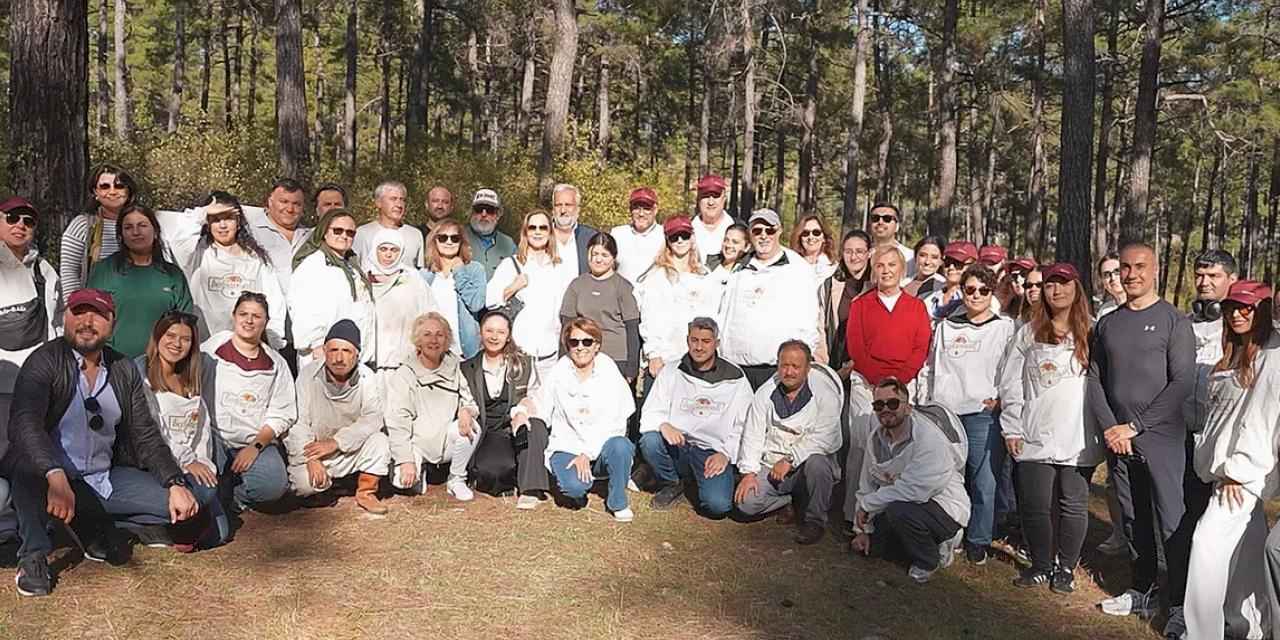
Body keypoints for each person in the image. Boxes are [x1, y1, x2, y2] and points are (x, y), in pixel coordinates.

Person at [5, 289, 203, 597]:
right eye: (78, 312)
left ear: (112, 323)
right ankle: (33, 555)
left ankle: (95, 524)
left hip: (104, 476)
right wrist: (54, 474)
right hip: (50, 478)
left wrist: (174, 481)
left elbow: (145, 434)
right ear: (65, 318)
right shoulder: (44, 360)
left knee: (188, 504)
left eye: (97, 314)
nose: (87, 321)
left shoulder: (123, 368)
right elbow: (24, 424)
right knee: (27, 469)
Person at [1091, 242, 1196, 619]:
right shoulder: (1108, 323)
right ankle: (1143, 589)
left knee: (1171, 520)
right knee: (1134, 520)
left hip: (1162, 438)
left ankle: (1182, 603)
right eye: (1125, 268)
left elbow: (1181, 382)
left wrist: (1135, 426)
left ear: (1155, 270)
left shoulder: (1173, 321)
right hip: (1119, 442)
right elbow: (1095, 379)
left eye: (1139, 267)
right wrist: (1111, 428)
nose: (1131, 274)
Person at [999, 263, 1102, 593]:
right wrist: (1011, 426)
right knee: (1035, 504)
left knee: (1072, 503)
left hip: (1077, 434)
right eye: (1049, 284)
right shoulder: (1028, 332)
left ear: (1077, 288)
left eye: (1063, 283)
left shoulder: (1094, 332)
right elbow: (1011, 382)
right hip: (1034, 430)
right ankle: (1041, 564)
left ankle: (1066, 567)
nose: (1056, 290)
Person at [1184, 281, 1277, 640]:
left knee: (1205, 546)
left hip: (1241, 476)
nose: (1237, 314)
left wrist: (1239, 470)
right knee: (1247, 557)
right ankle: (1250, 627)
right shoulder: (1236, 351)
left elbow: (1263, 419)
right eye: (1231, 307)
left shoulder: (1272, 357)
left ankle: (1201, 633)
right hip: (1223, 473)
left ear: (1263, 311)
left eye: (1247, 308)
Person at [1162, 249, 1241, 638]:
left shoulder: (1242, 328)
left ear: (1231, 279)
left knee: (1222, 533)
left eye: (1213, 275)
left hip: (1225, 446)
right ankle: (1182, 605)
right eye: (1200, 275)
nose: (1205, 282)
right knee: (1185, 524)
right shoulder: (1182, 324)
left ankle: (1230, 609)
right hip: (1183, 439)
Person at [921, 264, 1015, 564]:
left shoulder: (1004, 327)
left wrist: (1001, 399)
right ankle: (949, 532)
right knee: (947, 478)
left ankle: (979, 539)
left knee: (984, 479)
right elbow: (931, 368)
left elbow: (1010, 370)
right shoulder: (946, 326)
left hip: (981, 415)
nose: (976, 296)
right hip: (946, 413)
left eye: (984, 291)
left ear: (992, 294)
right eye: (970, 289)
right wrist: (928, 402)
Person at [850, 378, 969, 584]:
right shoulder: (875, 439)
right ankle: (918, 543)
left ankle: (929, 559)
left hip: (944, 508)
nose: (885, 409)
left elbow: (914, 491)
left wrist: (868, 505)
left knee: (900, 510)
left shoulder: (929, 439)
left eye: (893, 403)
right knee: (873, 549)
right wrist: (862, 530)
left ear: (908, 407)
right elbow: (866, 484)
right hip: (900, 504)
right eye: (879, 405)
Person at [136, 311, 230, 549]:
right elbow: (152, 432)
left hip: (191, 465)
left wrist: (202, 462)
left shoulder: (190, 379)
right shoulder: (143, 377)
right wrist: (187, 461)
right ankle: (141, 523)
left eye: (185, 339)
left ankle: (178, 524)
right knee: (204, 497)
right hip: (160, 465)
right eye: (170, 335)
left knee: (219, 533)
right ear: (157, 337)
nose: (177, 344)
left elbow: (201, 432)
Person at [640, 317, 752, 517]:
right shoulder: (672, 371)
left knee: (717, 507)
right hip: (679, 446)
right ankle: (672, 482)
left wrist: (726, 454)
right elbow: (650, 412)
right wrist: (664, 424)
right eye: (694, 340)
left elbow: (744, 424)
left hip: (711, 452)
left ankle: (703, 481)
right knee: (650, 440)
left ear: (716, 343)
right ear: (687, 340)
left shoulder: (736, 377)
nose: (699, 347)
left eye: (706, 341)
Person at [735, 340, 843, 544]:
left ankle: (815, 522)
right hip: (772, 466)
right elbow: (753, 433)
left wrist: (791, 459)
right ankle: (788, 502)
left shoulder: (826, 395)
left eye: (796, 366)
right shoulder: (765, 393)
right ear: (777, 365)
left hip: (806, 466)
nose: (789, 372)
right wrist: (748, 473)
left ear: (808, 368)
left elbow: (826, 437)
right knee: (745, 504)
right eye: (785, 365)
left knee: (819, 464)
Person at [533, 317, 636, 521]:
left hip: (600, 448)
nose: (580, 348)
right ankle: (577, 482)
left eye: (587, 342)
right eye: (574, 342)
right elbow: (540, 405)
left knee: (621, 446)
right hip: (567, 446)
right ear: (567, 345)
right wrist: (520, 411)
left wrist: (588, 454)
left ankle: (617, 501)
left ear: (597, 345)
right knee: (574, 489)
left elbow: (618, 421)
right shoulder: (559, 370)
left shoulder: (609, 370)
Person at [284, 320, 392, 515]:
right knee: (303, 485)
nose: (339, 358)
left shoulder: (367, 377)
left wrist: (337, 442)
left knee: (380, 442)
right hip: (317, 450)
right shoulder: (308, 375)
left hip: (350, 446)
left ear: (357, 354)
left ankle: (366, 491)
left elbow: (373, 418)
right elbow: (298, 421)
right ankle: (325, 489)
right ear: (325, 350)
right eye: (333, 350)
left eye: (346, 351)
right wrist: (311, 458)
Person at [157, 192, 287, 351]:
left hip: (247, 348)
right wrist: (203, 213)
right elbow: (179, 240)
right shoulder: (196, 253)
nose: (223, 225)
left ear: (238, 222)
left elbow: (274, 301)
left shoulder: (256, 258)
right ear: (207, 223)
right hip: (204, 348)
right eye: (216, 219)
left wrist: (272, 340)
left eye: (228, 218)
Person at [202, 292, 296, 512]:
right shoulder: (212, 349)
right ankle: (218, 490)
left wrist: (255, 447)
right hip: (214, 437)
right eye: (243, 314)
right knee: (204, 480)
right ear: (234, 316)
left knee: (273, 487)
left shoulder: (276, 363)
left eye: (256, 316)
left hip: (252, 441)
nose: (249, 320)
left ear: (266, 322)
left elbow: (282, 413)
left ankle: (234, 496)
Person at [718, 209, 820, 389]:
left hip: (777, 371)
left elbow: (809, 321)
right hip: (735, 370)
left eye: (769, 230)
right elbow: (724, 314)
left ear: (779, 231)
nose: (764, 236)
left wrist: (798, 365)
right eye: (757, 231)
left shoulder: (798, 269)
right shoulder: (738, 268)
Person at [385, 312, 480, 502]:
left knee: (473, 428)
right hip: (415, 443)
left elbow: (470, 403)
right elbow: (397, 421)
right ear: (417, 340)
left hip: (445, 440)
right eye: (427, 334)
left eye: (440, 335)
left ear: (447, 340)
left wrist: (466, 411)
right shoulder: (404, 374)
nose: (434, 340)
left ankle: (456, 478)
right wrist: (406, 460)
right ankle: (417, 468)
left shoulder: (455, 367)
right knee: (401, 482)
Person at [461, 310, 549, 508]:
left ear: (508, 335)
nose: (494, 337)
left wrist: (522, 410)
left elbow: (535, 395)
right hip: (489, 432)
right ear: (480, 333)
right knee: (493, 471)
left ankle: (530, 489)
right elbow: (464, 401)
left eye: (500, 332)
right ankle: (513, 468)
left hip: (516, 425)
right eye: (489, 331)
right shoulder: (467, 367)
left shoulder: (524, 362)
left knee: (535, 425)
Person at [87, 204, 194, 358]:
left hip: (160, 365)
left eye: (142, 225)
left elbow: (185, 324)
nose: (136, 232)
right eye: (128, 227)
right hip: (114, 364)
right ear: (121, 235)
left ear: (155, 231)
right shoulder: (103, 270)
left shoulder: (173, 275)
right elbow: (90, 319)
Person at [0, 197, 61, 458]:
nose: (20, 226)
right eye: (12, 218)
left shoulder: (44, 270)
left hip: (39, 384)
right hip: (2, 385)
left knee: (35, 453)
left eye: (28, 221)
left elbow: (57, 323)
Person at [487, 210, 576, 380]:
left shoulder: (560, 268)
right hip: (519, 351)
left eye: (543, 228)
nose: (537, 232)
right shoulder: (511, 264)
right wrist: (513, 287)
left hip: (551, 353)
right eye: (532, 227)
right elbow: (489, 301)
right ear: (525, 232)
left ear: (550, 233)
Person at [637, 216, 721, 385]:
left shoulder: (705, 276)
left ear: (692, 237)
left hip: (698, 359)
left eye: (685, 235)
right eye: (675, 237)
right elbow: (649, 319)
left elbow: (713, 316)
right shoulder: (656, 276)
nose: (680, 240)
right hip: (665, 360)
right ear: (667, 240)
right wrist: (654, 354)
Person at [289, 208, 376, 368]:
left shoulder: (353, 266)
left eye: (350, 233)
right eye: (338, 231)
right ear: (324, 232)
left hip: (352, 355)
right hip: (323, 354)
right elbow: (302, 308)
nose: (344, 236)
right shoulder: (312, 265)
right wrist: (316, 344)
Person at [845, 245, 932, 386]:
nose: (886, 271)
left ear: (902, 269)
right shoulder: (859, 306)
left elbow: (921, 348)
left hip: (905, 383)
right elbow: (856, 349)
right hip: (866, 382)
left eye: (892, 265)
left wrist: (901, 378)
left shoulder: (917, 307)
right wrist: (878, 379)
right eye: (880, 266)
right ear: (874, 271)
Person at [560, 233, 641, 382]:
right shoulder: (577, 285)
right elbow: (567, 327)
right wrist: (563, 360)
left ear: (613, 257)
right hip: (583, 355)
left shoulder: (623, 287)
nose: (598, 259)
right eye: (595, 254)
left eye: (604, 255)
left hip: (616, 358)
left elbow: (632, 329)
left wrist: (632, 367)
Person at [59, 164, 138, 298]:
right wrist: (74, 309)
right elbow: (69, 273)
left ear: (128, 191)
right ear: (95, 192)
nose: (112, 191)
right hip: (95, 309)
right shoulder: (82, 225)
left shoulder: (143, 224)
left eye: (119, 186)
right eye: (105, 186)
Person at [364, 229, 438, 370]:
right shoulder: (363, 279)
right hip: (372, 361)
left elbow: (429, 312)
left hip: (405, 358)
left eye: (394, 250)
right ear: (375, 249)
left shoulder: (412, 278)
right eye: (383, 249)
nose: (388, 254)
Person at [421, 220, 488, 359]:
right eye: (443, 237)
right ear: (435, 241)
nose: (449, 242)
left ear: (461, 242)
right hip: (432, 352)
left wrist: (459, 272)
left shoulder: (475, 269)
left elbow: (476, 304)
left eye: (455, 238)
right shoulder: (424, 275)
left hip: (464, 352)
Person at [815, 230, 872, 370]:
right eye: (848, 251)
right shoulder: (829, 286)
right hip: (835, 366)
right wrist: (823, 366)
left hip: (867, 371)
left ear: (869, 253)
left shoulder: (876, 286)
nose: (853, 257)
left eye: (859, 251)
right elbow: (821, 329)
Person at [245, 178, 312, 295]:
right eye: (284, 202)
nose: (290, 209)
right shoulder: (250, 233)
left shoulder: (310, 237)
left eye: (296, 204)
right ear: (270, 202)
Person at [354, 181, 424, 271]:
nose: (399, 205)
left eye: (402, 200)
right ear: (378, 203)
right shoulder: (362, 233)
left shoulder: (415, 234)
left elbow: (420, 272)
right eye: (393, 199)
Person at [611, 187, 665, 285]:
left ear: (655, 210)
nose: (641, 214)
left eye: (646, 209)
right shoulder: (617, 234)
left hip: (655, 297)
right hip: (623, 297)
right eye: (636, 208)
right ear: (630, 210)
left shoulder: (665, 235)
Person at [462, 188, 516, 280]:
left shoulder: (508, 244)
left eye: (489, 210)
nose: (484, 214)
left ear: (498, 214)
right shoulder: (456, 238)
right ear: (472, 213)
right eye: (479, 209)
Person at [550, 183, 600, 275]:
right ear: (553, 209)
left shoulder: (591, 238)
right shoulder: (541, 237)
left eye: (568, 205)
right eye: (558, 205)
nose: (563, 210)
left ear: (577, 209)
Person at [924, 241, 977, 320]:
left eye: (958, 263)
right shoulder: (928, 299)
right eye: (947, 262)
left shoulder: (980, 299)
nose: (951, 268)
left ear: (972, 265)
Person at [692, 174, 734, 262]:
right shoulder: (687, 231)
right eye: (706, 196)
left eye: (716, 196)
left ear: (724, 198)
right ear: (698, 198)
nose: (711, 202)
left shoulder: (738, 229)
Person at [866, 203, 915, 276]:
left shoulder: (910, 257)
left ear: (897, 226)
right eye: (875, 218)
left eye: (887, 219)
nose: (880, 222)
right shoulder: (862, 255)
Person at [791, 214, 837, 282]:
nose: (811, 237)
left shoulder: (834, 269)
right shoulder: (791, 265)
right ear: (800, 237)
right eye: (805, 233)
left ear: (824, 237)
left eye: (816, 233)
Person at [1095, 252, 1126, 318]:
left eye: (1117, 271)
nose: (1113, 278)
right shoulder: (1104, 311)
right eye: (1106, 275)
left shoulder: (1144, 307)